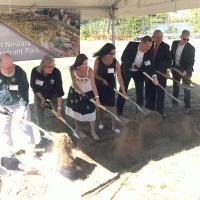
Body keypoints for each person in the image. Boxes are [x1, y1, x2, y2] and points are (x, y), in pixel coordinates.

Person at [0, 54, 36, 159]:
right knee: (3, 130)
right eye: (8, 68)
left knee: (26, 128)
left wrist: (22, 111)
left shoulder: (20, 72)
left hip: (18, 104)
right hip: (2, 104)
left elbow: (24, 93)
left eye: (12, 66)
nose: (11, 69)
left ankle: (31, 154)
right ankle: (8, 155)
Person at [30, 55, 66, 147]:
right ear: (43, 66)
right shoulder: (35, 71)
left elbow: (59, 91)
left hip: (53, 94)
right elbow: (34, 87)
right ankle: (43, 137)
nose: (51, 68)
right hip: (40, 94)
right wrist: (42, 99)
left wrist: (58, 109)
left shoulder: (56, 72)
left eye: (53, 66)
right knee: (39, 115)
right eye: (49, 66)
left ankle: (62, 135)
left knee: (61, 113)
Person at [117, 36, 158, 116]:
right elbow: (123, 58)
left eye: (150, 46)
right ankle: (119, 112)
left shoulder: (149, 51)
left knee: (140, 93)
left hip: (139, 72)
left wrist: (154, 76)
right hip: (127, 70)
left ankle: (139, 112)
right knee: (122, 90)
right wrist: (132, 64)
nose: (148, 48)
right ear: (142, 43)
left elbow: (151, 65)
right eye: (147, 46)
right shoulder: (131, 45)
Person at [93, 43, 127, 133]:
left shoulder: (116, 62)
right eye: (111, 53)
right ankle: (101, 121)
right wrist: (102, 80)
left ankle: (114, 126)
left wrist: (123, 90)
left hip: (110, 85)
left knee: (112, 105)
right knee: (100, 105)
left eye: (114, 53)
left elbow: (119, 77)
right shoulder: (98, 60)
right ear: (105, 52)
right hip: (99, 84)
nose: (112, 55)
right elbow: (94, 74)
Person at [65, 54, 100, 140]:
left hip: (89, 91)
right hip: (76, 91)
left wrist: (97, 98)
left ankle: (93, 132)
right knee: (78, 109)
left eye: (86, 63)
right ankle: (78, 129)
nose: (85, 66)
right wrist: (80, 91)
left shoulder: (90, 70)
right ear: (78, 64)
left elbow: (93, 84)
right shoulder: (72, 69)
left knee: (91, 112)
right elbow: (74, 82)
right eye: (83, 64)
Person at [170, 30, 195, 114]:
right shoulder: (174, 43)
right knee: (175, 86)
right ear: (181, 37)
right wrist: (171, 66)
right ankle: (174, 103)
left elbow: (191, 62)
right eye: (184, 39)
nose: (186, 41)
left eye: (188, 40)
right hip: (176, 69)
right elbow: (171, 55)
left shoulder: (191, 48)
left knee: (186, 89)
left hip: (186, 71)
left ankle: (187, 106)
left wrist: (185, 71)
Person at [150, 30, 172, 118]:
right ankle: (150, 111)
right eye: (158, 37)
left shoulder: (166, 46)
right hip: (150, 73)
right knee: (150, 92)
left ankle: (160, 111)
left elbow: (169, 60)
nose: (160, 39)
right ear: (153, 37)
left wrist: (167, 71)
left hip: (162, 74)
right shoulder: (149, 45)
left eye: (161, 37)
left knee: (161, 93)